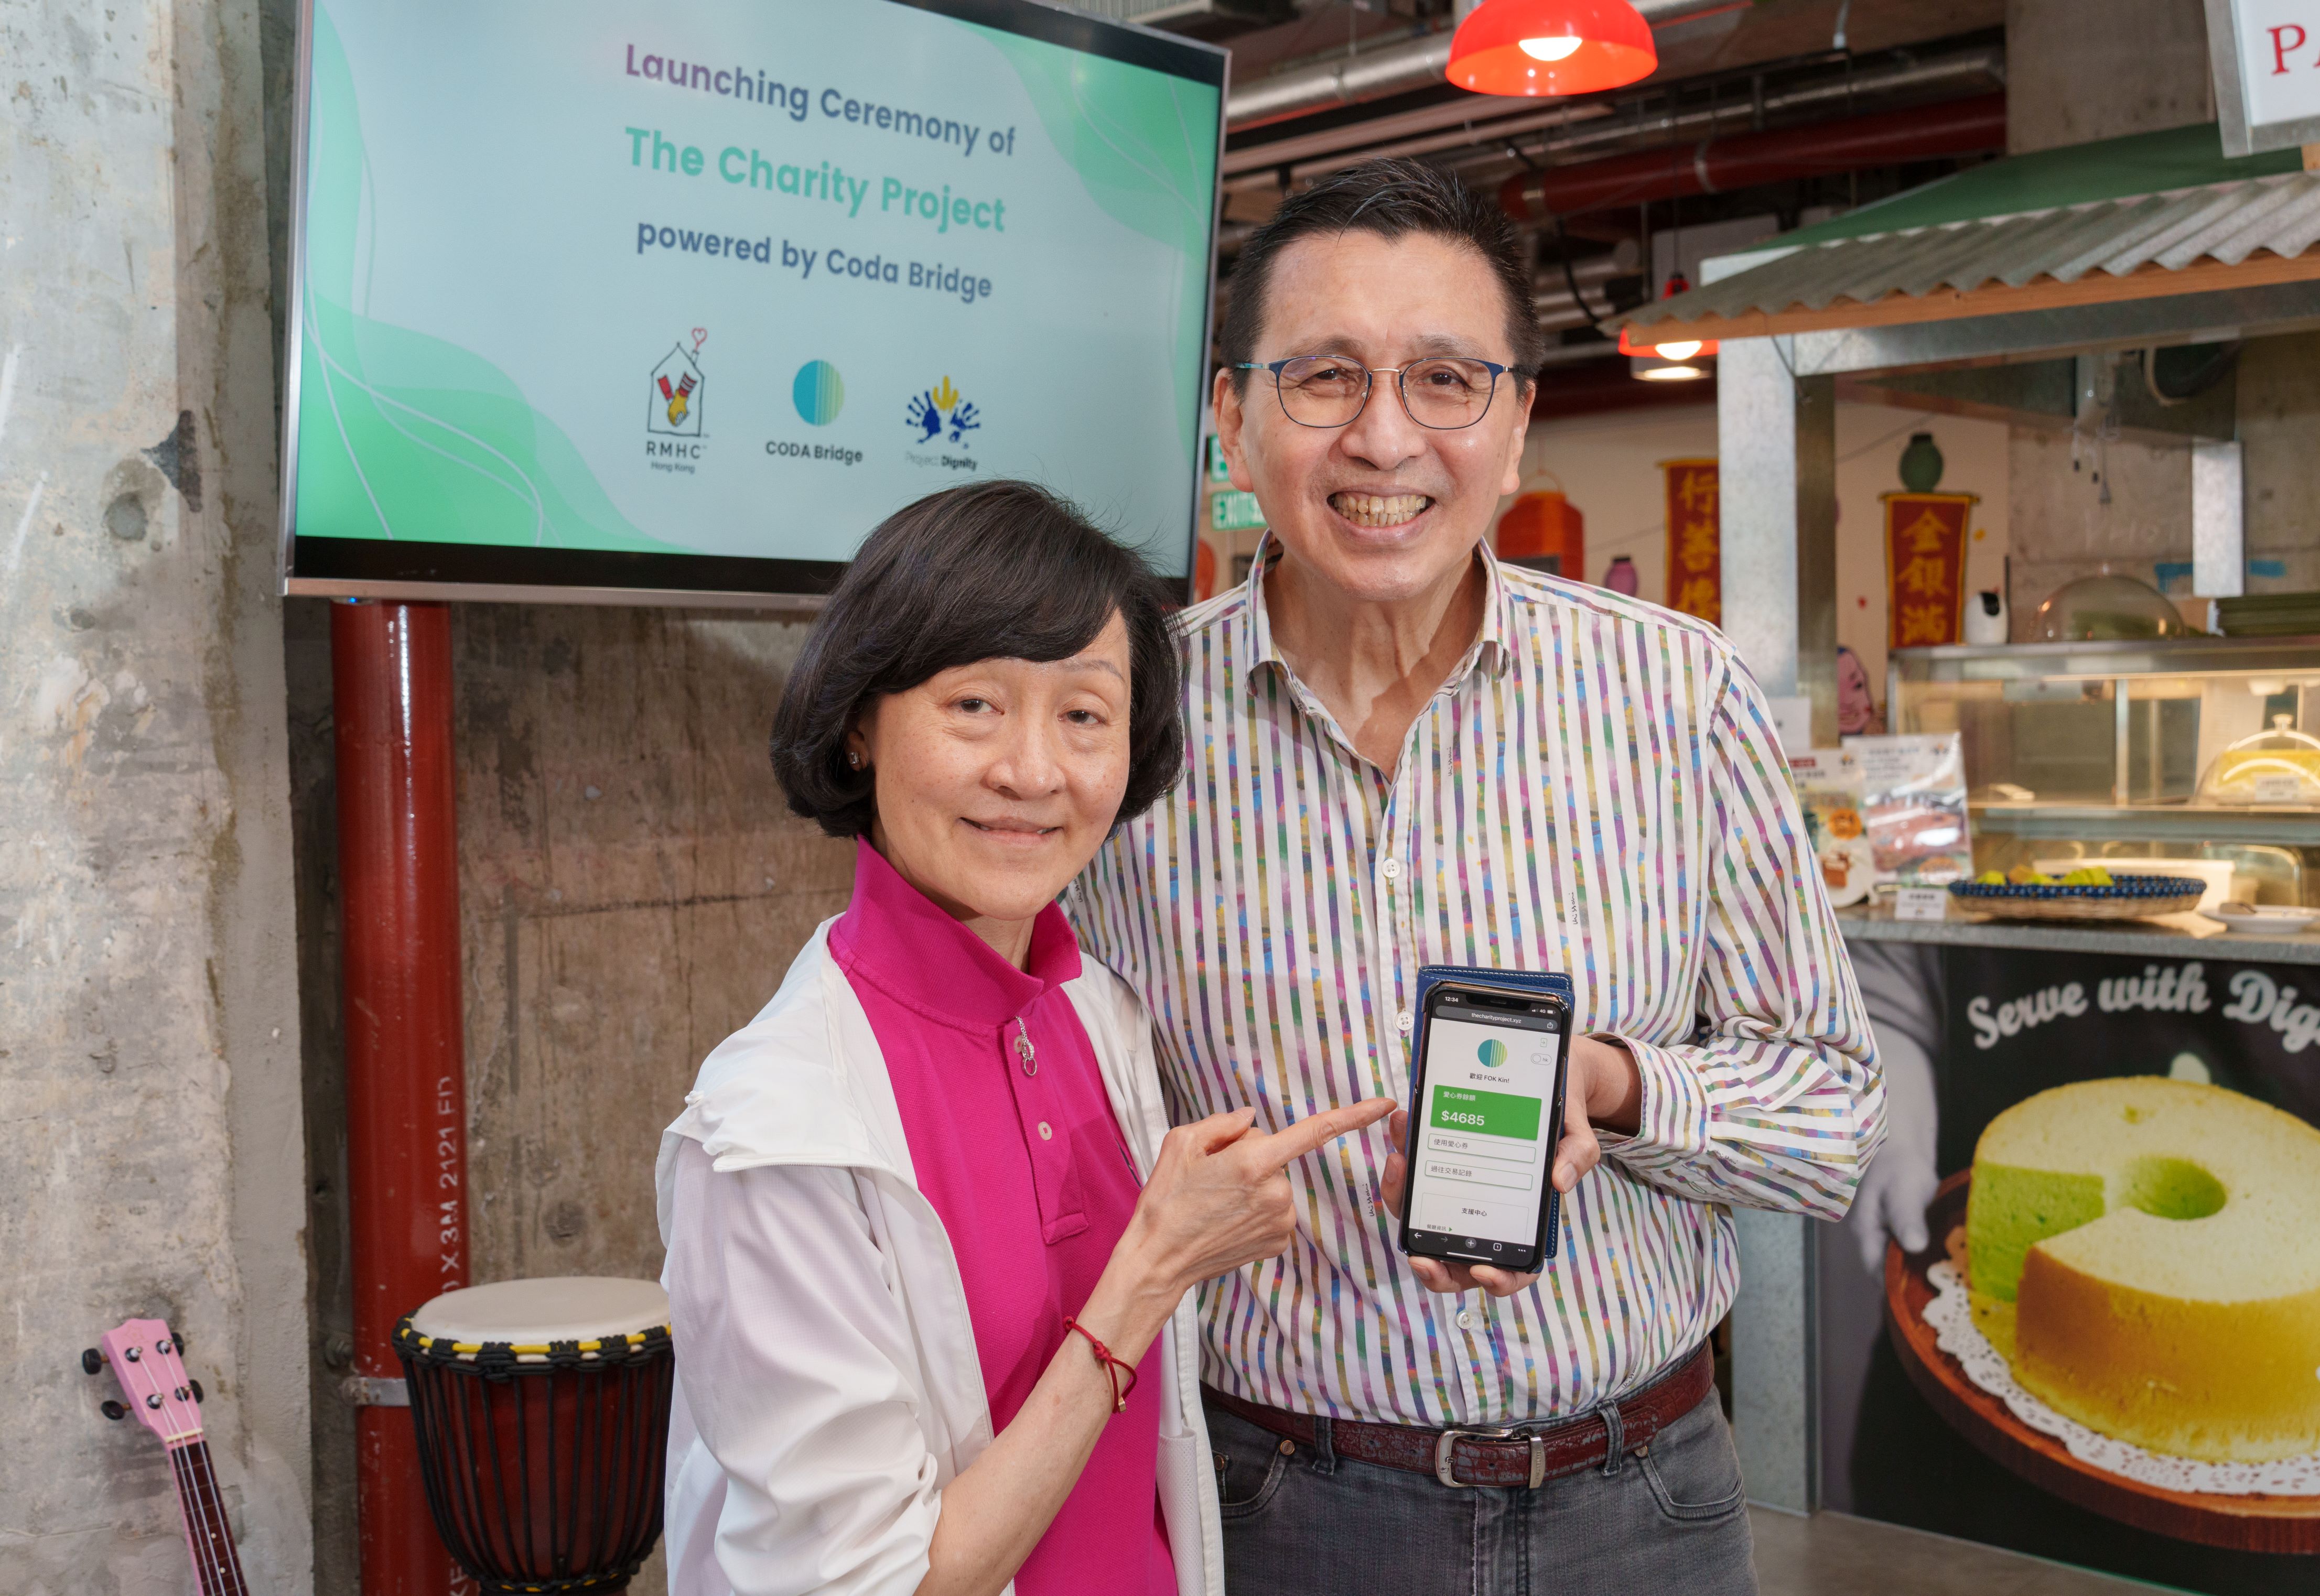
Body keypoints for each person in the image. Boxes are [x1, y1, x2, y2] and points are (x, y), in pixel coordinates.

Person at [1068, 159, 1882, 1594]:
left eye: (1445, 380)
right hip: (1274, 1503)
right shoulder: (1121, 726)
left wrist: (1611, 1084)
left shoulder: (1674, 695)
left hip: (1642, 1495)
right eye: (1323, 376)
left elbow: (1829, 1119)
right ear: (1231, 421)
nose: (1384, 436)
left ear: (1512, 429)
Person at [655, 481, 1395, 1596]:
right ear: (859, 725)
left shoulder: (1098, 1008)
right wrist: (1148, 1274)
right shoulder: (770, 1132)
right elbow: (874, 1584)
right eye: (974, 705)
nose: (1033, 771)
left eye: (1083, 714)